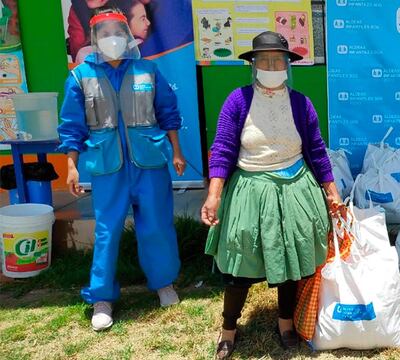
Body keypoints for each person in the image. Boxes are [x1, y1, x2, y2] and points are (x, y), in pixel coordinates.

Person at [201, 31, 340, 359]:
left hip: (295, 187)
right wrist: (214, 194)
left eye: (278, 60)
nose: (272, 66)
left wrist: (331, 192)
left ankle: (285, 323)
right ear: (253, 65)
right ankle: (228, 328)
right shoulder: (238, 100)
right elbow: (222, 149)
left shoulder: (301, 103)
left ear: (288, 65)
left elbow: (317, 151)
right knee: (240, 264)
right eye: (264, 60)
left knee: (292, 260)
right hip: (251, 189)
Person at [57, 7, 186, 332]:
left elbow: (168, 112)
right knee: (106, 230)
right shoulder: (80, 76)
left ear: (127, 36)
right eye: (104, 33)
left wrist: (177, 153)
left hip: (150, 162)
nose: (111, 38)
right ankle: (102, 297)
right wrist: (71, 167)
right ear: (94, 38)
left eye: (117, 32)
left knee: (156, 224)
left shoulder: (148, 70)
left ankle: (163, 283)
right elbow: (72, 126)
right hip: (108, 166)